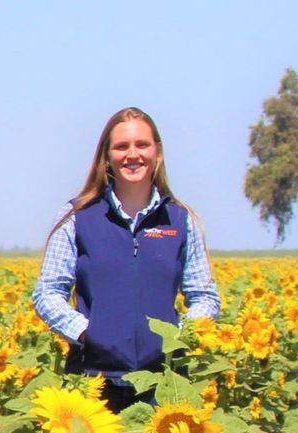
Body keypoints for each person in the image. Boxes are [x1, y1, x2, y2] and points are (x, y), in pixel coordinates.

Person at [32, 107, 220, 412]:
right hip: (93, 377)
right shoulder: (77, 217)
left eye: (142, 145)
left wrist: (179, 336)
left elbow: (205, 296)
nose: (133, 154)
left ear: (157, 152)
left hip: (164, 382)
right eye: (122, 147)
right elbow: (48, 293)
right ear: (107, 156)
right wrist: (89, 333)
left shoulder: (180, 220)